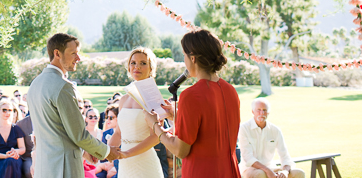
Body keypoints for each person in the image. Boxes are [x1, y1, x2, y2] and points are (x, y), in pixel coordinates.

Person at [144, 29, 241, 178]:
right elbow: (211, 130)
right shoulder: (231, 91)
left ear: (193, 58)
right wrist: (178, 117)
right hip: (229, 171)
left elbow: (180, 150)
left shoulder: (191, 96)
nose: (184, 61)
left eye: (184, 55)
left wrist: (156, 127)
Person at [27, 33, 117, 178]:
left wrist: (85, 151)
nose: (78, 58)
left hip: (44, 168)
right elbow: (79, 135)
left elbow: (57, 130)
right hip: (64, 169)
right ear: (57, 53)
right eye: (73, 53)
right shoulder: (63, 87)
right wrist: (107, 152)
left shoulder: (34, 84)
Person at [114, 47, 162, 178]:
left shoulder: (153, 99)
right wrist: (105, 152)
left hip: (144, 163)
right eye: (133, 63)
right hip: (125, 163)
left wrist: (128, 153)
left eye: (143, 63)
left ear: (151, 68)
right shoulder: (123, 99)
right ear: (129, 67)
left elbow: (156, 137)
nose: (137, 67)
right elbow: (118, 133)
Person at [238, 99, 304, 178]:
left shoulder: (275, 130)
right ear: (253, 111)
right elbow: (248, 158)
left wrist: (285, 171)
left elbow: (285, 156)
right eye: (258, 110)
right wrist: (267, 171)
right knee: (260, 174)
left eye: (264, 110)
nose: (262, 113)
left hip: (270, 167)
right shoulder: (244, 128)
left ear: (268, 112)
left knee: (299, 173)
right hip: (249, 169)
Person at [0, 99, 25, 178]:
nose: (7, 113)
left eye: (10, 110)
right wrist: (6, 156)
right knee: (9, 162)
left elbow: (22, 149)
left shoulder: (16, 128)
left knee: (11, 162)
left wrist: (14, 152)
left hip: (14, 159)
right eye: (4, 110)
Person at [96, 106, 119, 178]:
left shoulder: (125, 134)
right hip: (107, 165)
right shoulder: (106, 133)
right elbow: (103, 157)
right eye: (107, 117)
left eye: (111, 118)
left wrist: (114, 166)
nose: (108, 120)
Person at [14, 113, 33, 178]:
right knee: (30, 171)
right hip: (29, 156)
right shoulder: (21, 124)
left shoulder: (47, 120)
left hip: (46, 155)